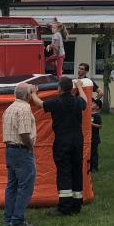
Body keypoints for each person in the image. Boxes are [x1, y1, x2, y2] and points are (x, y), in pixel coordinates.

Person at [42, 78, 87, 216]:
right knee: (76, 169)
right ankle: (76, 204)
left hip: (63, 141)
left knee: (64, 172)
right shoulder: (77, 101)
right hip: (77, 141)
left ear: (60, 88)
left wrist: (32, 93)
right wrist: (79, 87)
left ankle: (64, 207)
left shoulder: (56, 102)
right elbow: (85, 100)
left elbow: (40, 104)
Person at [2, 82, 42, 226]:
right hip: (22, 150)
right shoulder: (25, 109)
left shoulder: (10, 108)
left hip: (10, 149)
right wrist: (30, 146)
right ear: (27, 95)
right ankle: (17, 220)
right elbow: (24, 133)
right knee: (26, 186)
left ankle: (8, 218)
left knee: (12, 185)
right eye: (31, 93)